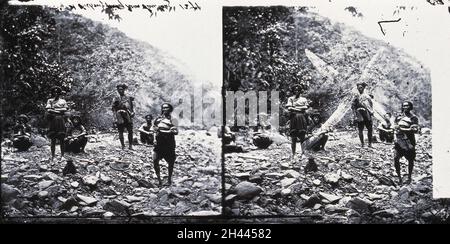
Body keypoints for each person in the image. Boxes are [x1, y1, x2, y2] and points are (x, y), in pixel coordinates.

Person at [393, 101, 419, 185]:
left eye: (407, 106)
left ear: (410, 107)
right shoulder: (398, 116)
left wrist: (403, 129)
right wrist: (395, 135)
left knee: (410, 160)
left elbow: (415, 130)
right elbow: (395, 127)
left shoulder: (413, 118)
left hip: (409, 141)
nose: (405, 107)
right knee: (396, 158)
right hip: (399, 141)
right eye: (404, 106)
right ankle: (399, 177)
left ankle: (409, 177)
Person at [153, 103, 178, 186]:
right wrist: (154, 139)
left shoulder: (173, 120)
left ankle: (169, 179)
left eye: (167, 108)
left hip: (169, 143)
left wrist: (166, 131)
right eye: (163, 108)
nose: (165, 109)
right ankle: (159, 179)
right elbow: (154, 130)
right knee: (155, 160)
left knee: (171, 163)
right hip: (159, 143)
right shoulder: (158, 119)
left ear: (170, 109)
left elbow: (176, 132)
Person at [286, 84, 310, 156]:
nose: (297, 91)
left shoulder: (304, 99)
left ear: (300, 91)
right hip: (293, 117)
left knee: (302, 136)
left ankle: (303, 153)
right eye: (295, 90)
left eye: (298, 90)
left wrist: (295, 108)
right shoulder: (290, 98)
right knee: (293, 137)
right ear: (293, 91)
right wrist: (300, 109)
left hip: (302, 118)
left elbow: (306, 107)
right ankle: (293, 154)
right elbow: (289, 108)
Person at [46, 86, 68, 160]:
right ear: (52, 93)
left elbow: (65, 109)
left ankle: (62, 156)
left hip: (61, 120)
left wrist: (54, 109)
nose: (56, 93)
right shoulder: (50, 100)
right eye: (54, 92)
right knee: (53, 138)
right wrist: (59, 111)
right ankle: (53, 156)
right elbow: (48, 110)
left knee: (62, 138)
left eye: (57, 92)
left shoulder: (63, 101)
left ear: (59, 93)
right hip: (53, 120)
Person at [112, 84, 135, 150]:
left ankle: (130, 146)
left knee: (130, 131)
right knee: (120, 131)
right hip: (119, 115)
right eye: (119, 89)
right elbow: (113, 109)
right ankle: (123, 146)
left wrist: (133, 112)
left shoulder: (128, 97)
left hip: (128, 114)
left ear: (124, 90)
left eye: (121, 89)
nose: (120, 91)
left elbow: (131, 106)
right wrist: (114, 118)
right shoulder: (116, 98)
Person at [351, 82, 373, 147]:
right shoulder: (356, 97)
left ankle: (370, 143)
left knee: (369, 129)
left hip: (367, 113)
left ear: (363, 88)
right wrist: (355, 114)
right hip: (359, 114)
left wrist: (371, 112)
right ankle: (362, 144)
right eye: (358, 88)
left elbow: (370, 105)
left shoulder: (367, 97)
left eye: (361, 88)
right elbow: (353, 106)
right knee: (360, 129)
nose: (359, 89)